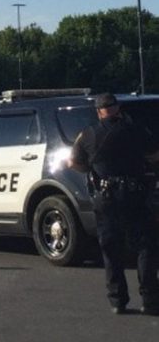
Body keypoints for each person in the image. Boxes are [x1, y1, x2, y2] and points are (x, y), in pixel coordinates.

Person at [68, 93, 159, 315]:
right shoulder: (136, 129)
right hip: (135, 194)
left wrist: (94, 170)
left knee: (111, 248)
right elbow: (155, 154)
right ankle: (150, 300)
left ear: (99, 111)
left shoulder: (88, 133)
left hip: (106, 197)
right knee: (145, 246)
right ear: (117, 109)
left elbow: (73, 163)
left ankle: (118, 301)